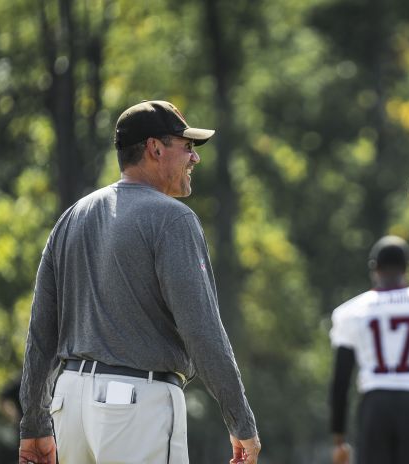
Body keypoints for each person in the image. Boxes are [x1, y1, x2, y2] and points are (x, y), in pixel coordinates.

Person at [18, 100, 261, 464]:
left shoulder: (72, 216)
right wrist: (241, 420)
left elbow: (41, 334)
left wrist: (34, 423)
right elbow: (202, 331)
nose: (194, 159)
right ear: (155, 148)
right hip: (135, 405)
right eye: (188, 147)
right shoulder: (173, 219)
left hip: (69, 407)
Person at [329, 236, 409, 464]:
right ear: (407, 267)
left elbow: (341, 380)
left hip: (375, 406)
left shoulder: (350, 311)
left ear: (374, 268)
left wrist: (339, 437)